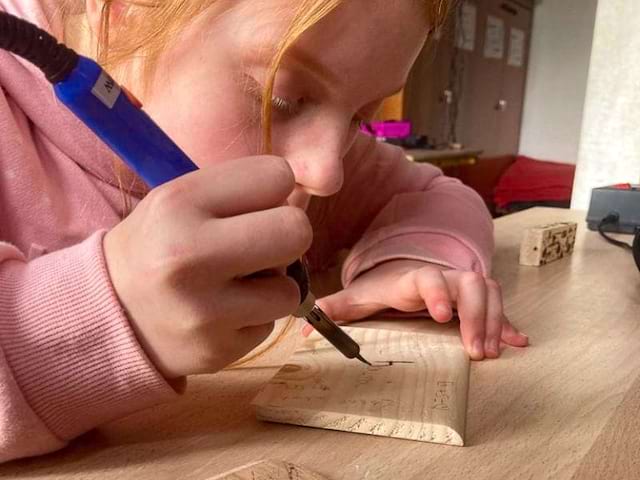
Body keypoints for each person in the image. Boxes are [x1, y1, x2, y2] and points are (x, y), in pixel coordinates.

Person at [0, 0, 528, 462]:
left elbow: (441, 195)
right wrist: (98, 318)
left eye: (360, 118)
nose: (326, 174)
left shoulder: (321, 156)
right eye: (283, 98)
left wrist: (412, 262)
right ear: (121, 17)